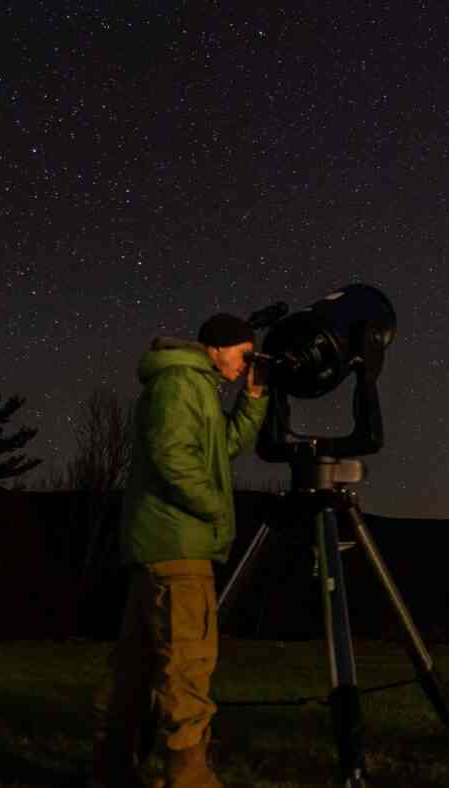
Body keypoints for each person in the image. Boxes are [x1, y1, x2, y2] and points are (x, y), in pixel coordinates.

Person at [89, 313, 268, 788]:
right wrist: (214, 508)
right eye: (244, 354)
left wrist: (252, 400)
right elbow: (174, 455)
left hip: (160, 543)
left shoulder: (194, 385)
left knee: (138, 662)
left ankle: (111, 769)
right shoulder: (182, 383)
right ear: (217, 347)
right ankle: (188, 778)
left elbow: (218, 447)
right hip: (179, 545)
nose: (247, 363)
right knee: (187, 663)